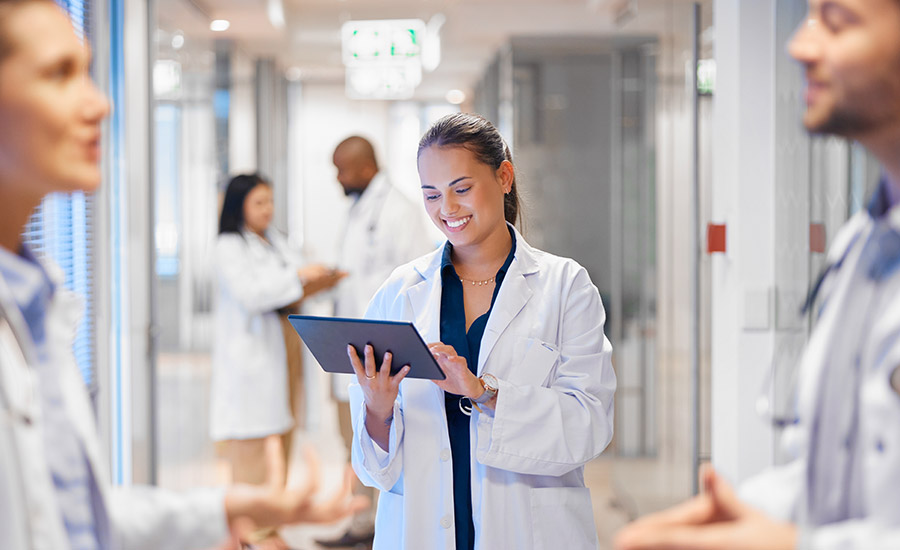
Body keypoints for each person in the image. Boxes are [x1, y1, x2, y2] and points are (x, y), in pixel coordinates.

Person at [0, 1, 366, 548]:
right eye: (59, 74)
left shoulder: (35, 302)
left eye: (89, 72)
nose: (99, 103)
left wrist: (224, 509)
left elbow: (71, 514)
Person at [615, 0, 900, 548]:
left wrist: (789, 545)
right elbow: (839, 472)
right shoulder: (863, 244)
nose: (800, 44)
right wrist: (746, 515)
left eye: (837, 20)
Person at [345, 113, 617, 550]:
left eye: (462, 189)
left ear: (504, 176)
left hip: (528, 532)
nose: (446, 209)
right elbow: (373, 467)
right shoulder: (399, 293)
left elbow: (590, 423)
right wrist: (378, 410)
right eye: (431, 194)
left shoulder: (565, 286)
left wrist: (485, 392)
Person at [316, 136, 438, 548]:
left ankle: (368, 523)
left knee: (381, 439)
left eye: (342, 169)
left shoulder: (399, 210)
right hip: (355, 347)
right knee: (352, 436)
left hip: (385, 354)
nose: (337, 178)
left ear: (365, 167)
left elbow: (419, 283)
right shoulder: (358, 208)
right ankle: (359, 522)